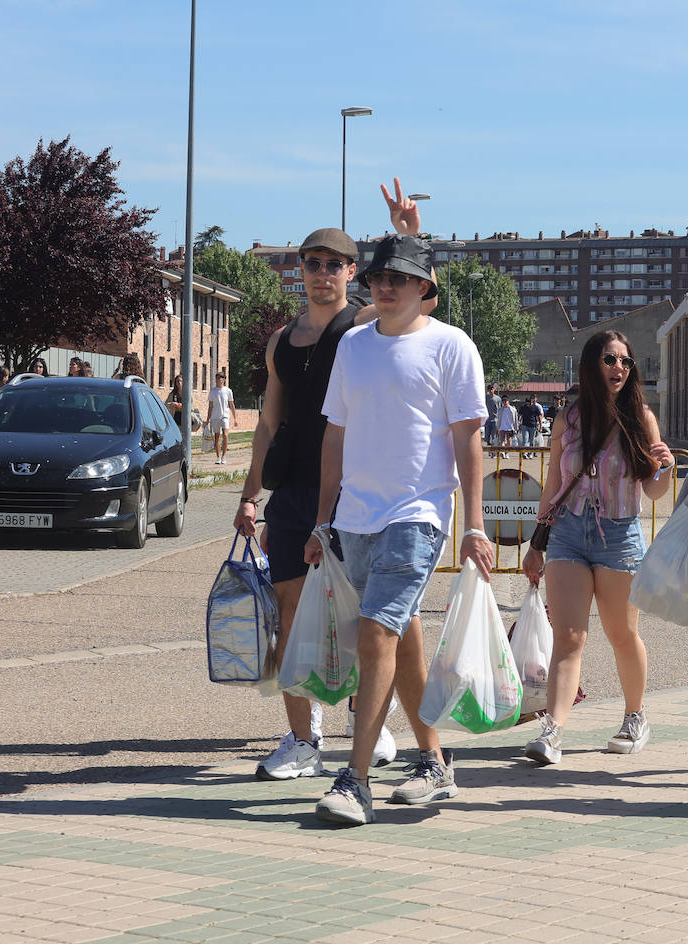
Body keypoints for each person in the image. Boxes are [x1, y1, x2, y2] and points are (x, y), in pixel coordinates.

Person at [235, 181, 424, 781]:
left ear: (350, 273)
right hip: (291, 491)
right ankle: (303, 739)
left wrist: (407, 237)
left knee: (368, 619)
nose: (322, 274)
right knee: (293, 613)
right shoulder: (281, 342)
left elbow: (420, 302)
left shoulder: (363, 323)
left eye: (335, 265)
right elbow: (267, 424)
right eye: (313, 264)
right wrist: (248, 495)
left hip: (353, 491)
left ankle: (373, 727)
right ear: (301, 272)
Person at [304, 230, 492, 826]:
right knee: (401, 635)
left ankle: (354, 779)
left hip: (418, 513)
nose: (385, 287)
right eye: (379, 278)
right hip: (355, 517)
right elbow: (334, 434)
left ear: (424, 287)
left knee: (374, 634)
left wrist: (474, 525)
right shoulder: (353, 347)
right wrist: (321, 519)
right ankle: (434, 763)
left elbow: (468, 438)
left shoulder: (451, 346)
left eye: (400, 278)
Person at [520, 330, 674, 765]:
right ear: (592, 365)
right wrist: (536, 543)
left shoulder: (641, 417)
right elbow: (553, 482)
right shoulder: (568, 419)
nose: (619, 368)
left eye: (626, 361)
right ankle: (553, 731)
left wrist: (665, 466)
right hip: (568, 532)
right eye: (610, 360)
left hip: (619, 534)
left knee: (622, 634)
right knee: (568, 636)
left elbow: (655, 490)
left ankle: (635, 716)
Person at [206, 371, 239, 464]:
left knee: (225, 434)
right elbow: (210, 406)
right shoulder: (213, 391)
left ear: (224, 379)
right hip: (215, 416)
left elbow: (231, 404)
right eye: (216, 378)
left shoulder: (228, 391)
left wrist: (235, 418)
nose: (217, 379)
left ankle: (224, 456)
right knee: (217, 437)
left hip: (225, 415)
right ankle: (218, 457)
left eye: (219, 377)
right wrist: (207, 419)